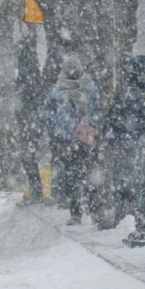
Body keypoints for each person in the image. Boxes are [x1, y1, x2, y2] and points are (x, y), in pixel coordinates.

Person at [42, 54, 99, 225]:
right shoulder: (63, 90)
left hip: (80, 139)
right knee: (75, 177)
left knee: (84, 175)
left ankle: (88, 208)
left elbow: (97, 110)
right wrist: (60, 124)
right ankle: (77, 211)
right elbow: (47, 112)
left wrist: (88, 125)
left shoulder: (85, 89)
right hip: (68, 140)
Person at [102, 55, 145, 229]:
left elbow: (114, 114)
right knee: (127, 177)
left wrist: (111, 131)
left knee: (129, 178)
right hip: (128, 141)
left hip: (131, 141)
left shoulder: (132, 93)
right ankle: (128, 210)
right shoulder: (130, 92)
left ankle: (129, 211)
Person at [14, 39, 44, 206]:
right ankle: (36, 189)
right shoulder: (31, 72)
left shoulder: (27, 74)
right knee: (28, 156)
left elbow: (27, 97)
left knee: (28, 156)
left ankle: (36, 190)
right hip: (30, 120)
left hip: (29, 120)